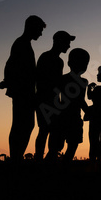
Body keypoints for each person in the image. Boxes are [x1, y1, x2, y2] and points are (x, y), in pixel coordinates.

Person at [4, 15, 46, 164]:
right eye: (40, 30)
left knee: (25, 125)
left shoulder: (24, 44)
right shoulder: (21, 44)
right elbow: (11, 66)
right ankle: (15, 159)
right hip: (23, 93)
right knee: (22, 126)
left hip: (25, 93)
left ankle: (16, 158)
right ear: (32, 27)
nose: (41, 34)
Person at [34, 31, 75, 161]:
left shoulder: (56, 60)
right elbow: (44, 81)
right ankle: (41, 159)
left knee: (49, 131)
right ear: (59, 42)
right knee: (45, 130)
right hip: (45, 100)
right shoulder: (48, 58)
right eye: (67, 42)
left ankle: (47, 159)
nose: (68, 46)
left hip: (51, 100)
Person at [46, 48, 90, 165]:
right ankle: (52, 169)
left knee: (71, 145)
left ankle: (60, 168)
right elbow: (79, 100)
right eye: (80, 62)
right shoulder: (64, 79)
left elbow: (80, 100)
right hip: (64, 117)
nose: (83, 66)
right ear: (70, 63)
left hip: (71, 117)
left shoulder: (81, 81)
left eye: (85, 63)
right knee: (57, 147)